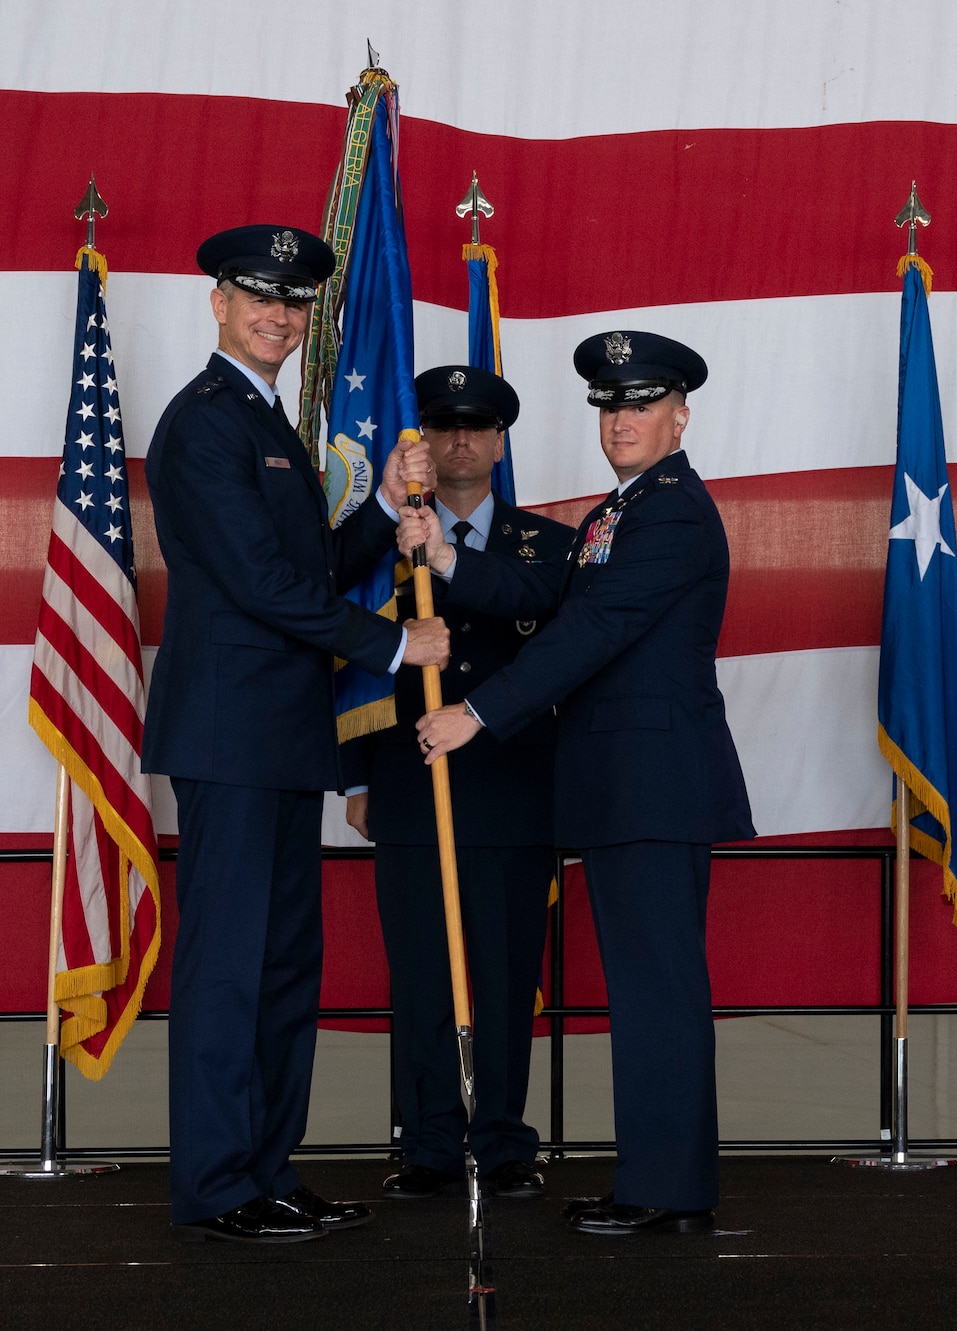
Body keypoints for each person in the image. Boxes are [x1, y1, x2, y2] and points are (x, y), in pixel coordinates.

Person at [403, 331, 752, 1236]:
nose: (623, 420)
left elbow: (588, 634)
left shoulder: (669, 511)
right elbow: (551, 597)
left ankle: (669, 1188)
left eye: (641, 404)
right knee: (644, 991)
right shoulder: (620, 511)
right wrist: (445, 560)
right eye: (610, 405)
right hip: (622, 783)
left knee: (658, 990)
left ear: (681, 417)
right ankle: (656, 1174)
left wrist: (475, 714)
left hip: (653, 782)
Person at [143, 224, 447, 1244]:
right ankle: (218, 1181)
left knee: (281, 965)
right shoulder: (204, 423)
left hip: (275, 734)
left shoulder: (265, 417)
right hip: (229, 733)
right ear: (218, 303)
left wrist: (384, 526)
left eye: (294, 303)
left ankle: (265, 1165)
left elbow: (307, 563)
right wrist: (395, 645)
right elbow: (259, 584)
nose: (278, 316)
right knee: (228, 965)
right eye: (257, 297)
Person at [339, 365, 574, 1203]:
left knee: (508, 976)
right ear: (422, 445)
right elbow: (346, 662)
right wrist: (354, 778)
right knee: (424, 978)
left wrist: (441, 558)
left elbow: (545, 618)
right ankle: (432, 1143)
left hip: (513, 790)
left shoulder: (546, 545)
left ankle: (505, 1141)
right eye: (441, 428)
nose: (459, 442)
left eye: (476, 428)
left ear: (501, 442)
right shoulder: (379, 546)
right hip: (406, 784)